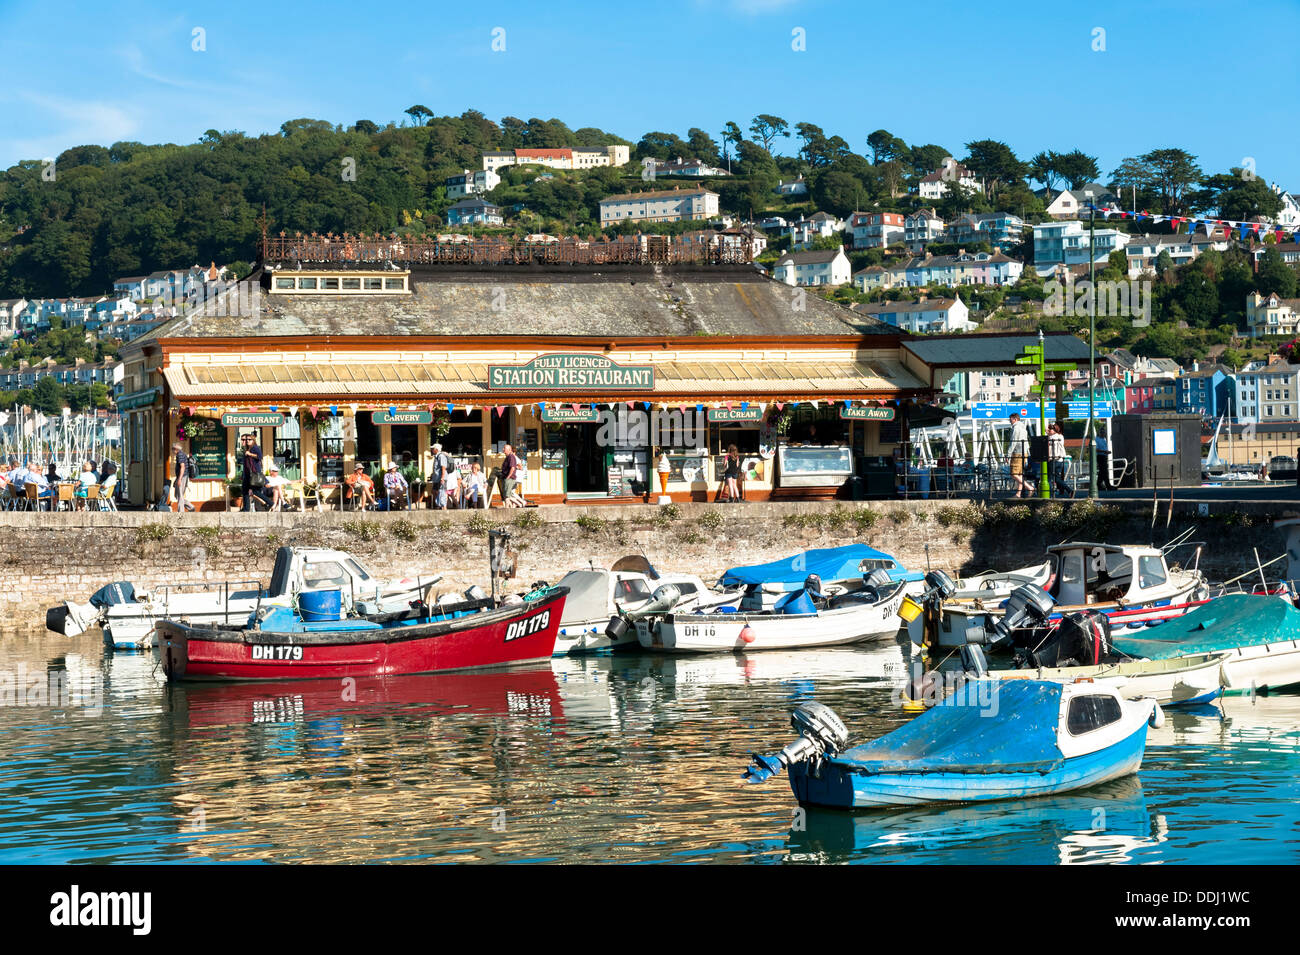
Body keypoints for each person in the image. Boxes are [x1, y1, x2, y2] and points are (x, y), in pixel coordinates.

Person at [1008, 412, 1032, 498]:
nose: (1010, 421)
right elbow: (1026, 441)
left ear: (1015, 419)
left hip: (1017, 452)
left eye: (1010, 419)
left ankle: (1029, 487)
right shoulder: (1023, 428)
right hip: (1024, 452)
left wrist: (1008, 454)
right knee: (1020, 473)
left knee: (1013, 473)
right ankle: (1018, 493)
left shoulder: (1016, 428)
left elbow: (1013, 442)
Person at [240, 432, 263, 512]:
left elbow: (260, 457)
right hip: (248, 474)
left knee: (255, 491)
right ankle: (246, 508)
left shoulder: (254, 448)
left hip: (253, 474)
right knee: (245, 491)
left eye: (247, 440)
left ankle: (269, 503)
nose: (244, 441)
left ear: (253, 440)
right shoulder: (247, 449)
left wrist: (250, 454)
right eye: (242, 440)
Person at [1048, 423, 1071, 498]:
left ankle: (1050, 494)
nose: (1048, 430)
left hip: (1053, 459)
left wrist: (1048, 435)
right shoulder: (1061, 436)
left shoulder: (1050, 437)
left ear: (1053, 430)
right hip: (1060, 459)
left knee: (1050, 477)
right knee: (1057, 478)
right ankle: (1069, 490)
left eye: (1050, 429)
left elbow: (1049, 448)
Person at [173, 441, 195, 512]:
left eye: (173, 448)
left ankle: (181, 512)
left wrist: (179, 479)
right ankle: (191, 507)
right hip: (181, 476)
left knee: (180, 495)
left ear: (176, 449)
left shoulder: (180, 455)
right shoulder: (180, 454)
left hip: (182, 477)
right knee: (177, 495)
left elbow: (182, 467)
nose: (172, 450)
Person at [430, 442, 450, 509]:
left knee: (442, 492)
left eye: (433, 449)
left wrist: (442, 478)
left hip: (440, 478)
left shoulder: (441, 456)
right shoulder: (436, 457)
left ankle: (444, 508)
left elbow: (443, 467)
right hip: (436, 479)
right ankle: (438, 505)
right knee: (434, 491)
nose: (432, 450)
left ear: (436, 449)